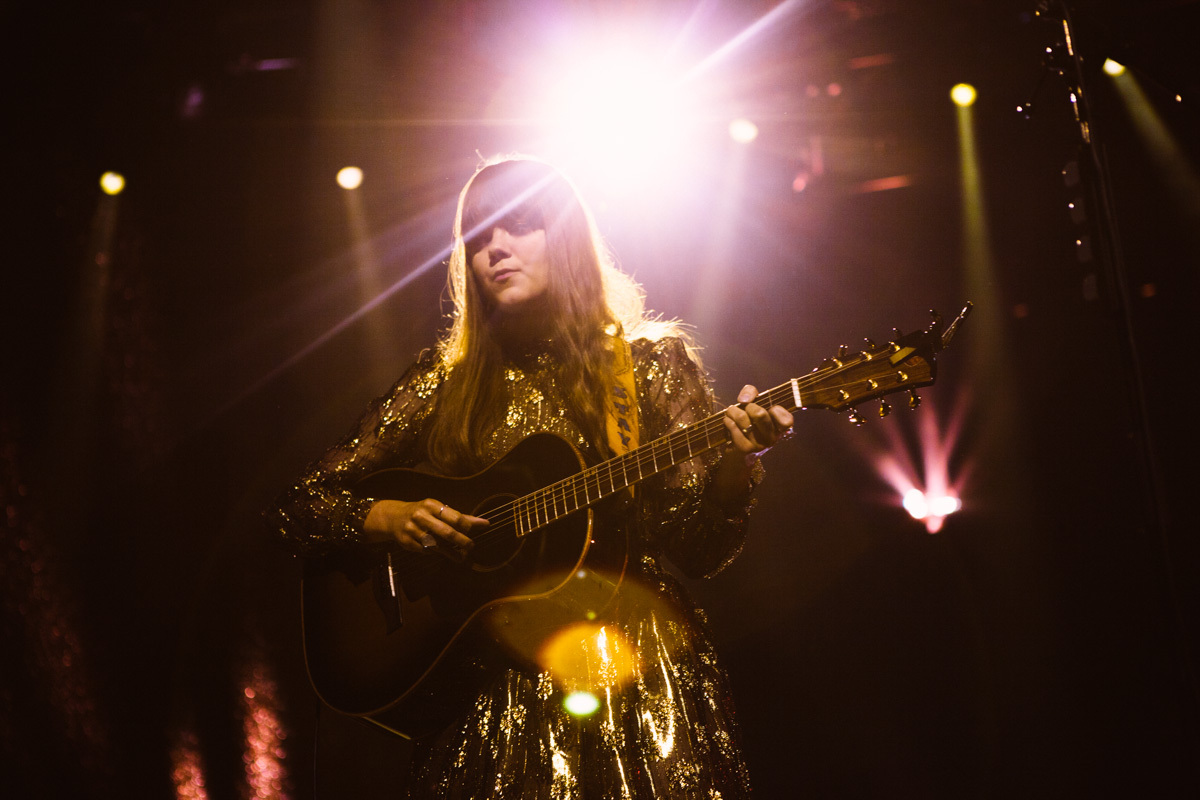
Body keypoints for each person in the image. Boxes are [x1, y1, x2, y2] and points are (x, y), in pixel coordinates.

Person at [267, 156, 793, 799]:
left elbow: (700, 553)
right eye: (478, 236)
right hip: (491, 685)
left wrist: (738, 466)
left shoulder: (647, 367)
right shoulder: (446, 381)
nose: (494, 248)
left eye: (518, 225)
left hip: (634, 675)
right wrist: (386, 517)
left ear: (564, 237)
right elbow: (297, 506)